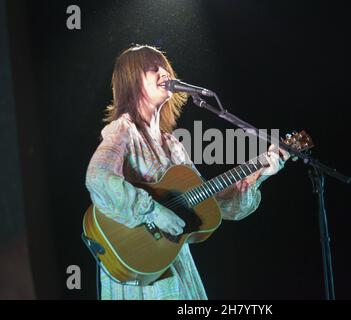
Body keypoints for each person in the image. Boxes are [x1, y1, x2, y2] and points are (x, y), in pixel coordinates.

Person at [85, 44, 289, 300]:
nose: (163, 73)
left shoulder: (173, 145)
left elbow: (209, 203)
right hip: (141, 273)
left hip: (174, 263)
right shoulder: (123, 131)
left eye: (164, 67)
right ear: (131, 80)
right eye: (152, 68)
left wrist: (260, 173)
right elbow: (97, 177)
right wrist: (154, 211)